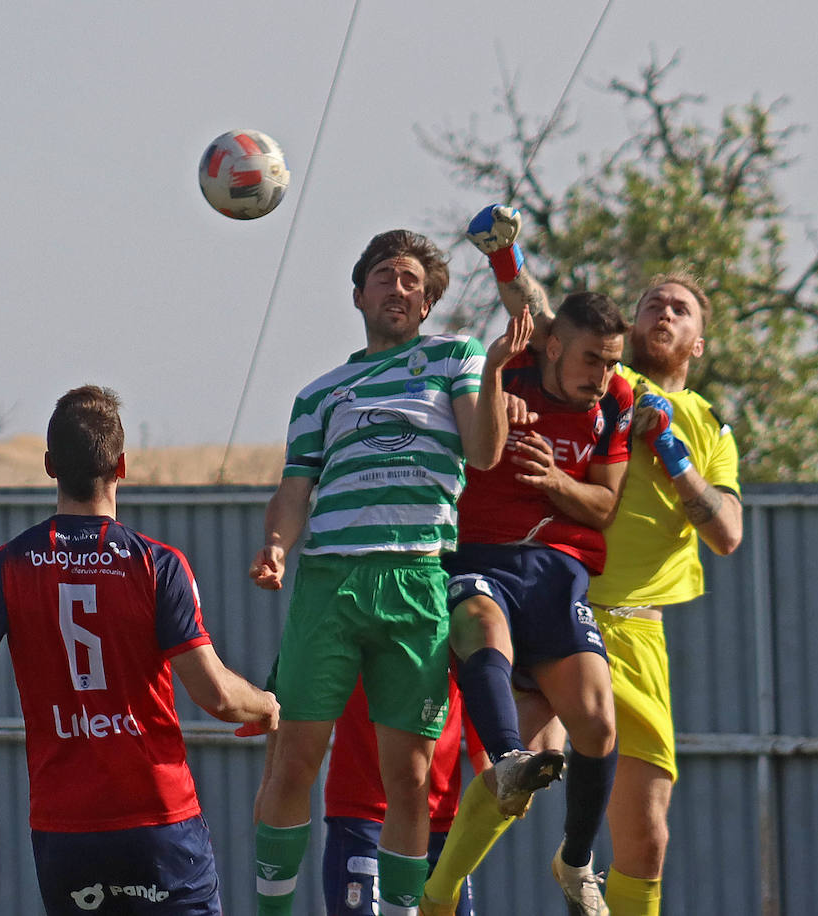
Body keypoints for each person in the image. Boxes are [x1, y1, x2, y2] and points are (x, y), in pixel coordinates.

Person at [0, 385, 279, 915]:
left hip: (67, 831)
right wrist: (268, 705)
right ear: (121, 465)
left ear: (50, 466)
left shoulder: (6, 567)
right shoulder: (157, 566)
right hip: (158, 823)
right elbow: (216, 695)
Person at [248, 228, 531, 916]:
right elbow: (294, 488)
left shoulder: (453, 359)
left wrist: (493, 373)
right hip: (331, 583)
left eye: (412, 281)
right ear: (359, 293)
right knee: (293, 762)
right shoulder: (321, 393)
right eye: (385, 276)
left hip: (416, 582)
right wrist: (278, 546)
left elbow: (484, 453)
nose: (398, 289)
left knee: (408, 779)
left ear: (429, 303)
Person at [423, 206, 634, 916]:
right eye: (590, 360)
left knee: (597, 727)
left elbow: (603, 506)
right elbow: (529, 306)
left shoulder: (616, 405)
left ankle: (575, 864)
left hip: (556, 577)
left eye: (612, 362)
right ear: (550, 347)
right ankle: (445, 884)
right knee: (481, 630)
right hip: (482, 562)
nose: (603, 376)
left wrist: (555, 484)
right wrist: (503, 258)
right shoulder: (507, 368)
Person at [587, 273, 743, 915]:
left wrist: (674, 456)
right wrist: (507, 260)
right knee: (515, 777)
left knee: (647, 840)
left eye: (680, 309)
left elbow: (727, 533)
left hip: (641, 635)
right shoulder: (605, 380)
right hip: (566, 615)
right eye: (652, 303)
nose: (664, 313)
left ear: (698, 343)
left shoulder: (710, 424)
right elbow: (540, 323)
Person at [320, 675, 486, 915]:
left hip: (441, 822)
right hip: (366, 815)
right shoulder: (351, 638)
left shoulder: (457, 638)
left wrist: (494, 772)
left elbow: (483, 688)